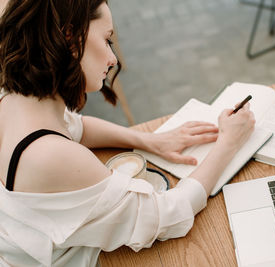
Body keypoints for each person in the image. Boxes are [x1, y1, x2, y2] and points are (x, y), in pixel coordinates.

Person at [0, 0, 255, 266]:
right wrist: (228, 143)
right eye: (107, 39)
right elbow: (167, 217)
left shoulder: (11, 100)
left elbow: (76, 126)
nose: (113, 59)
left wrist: (151, 140)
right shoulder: (52, 156)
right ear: (71, 38)